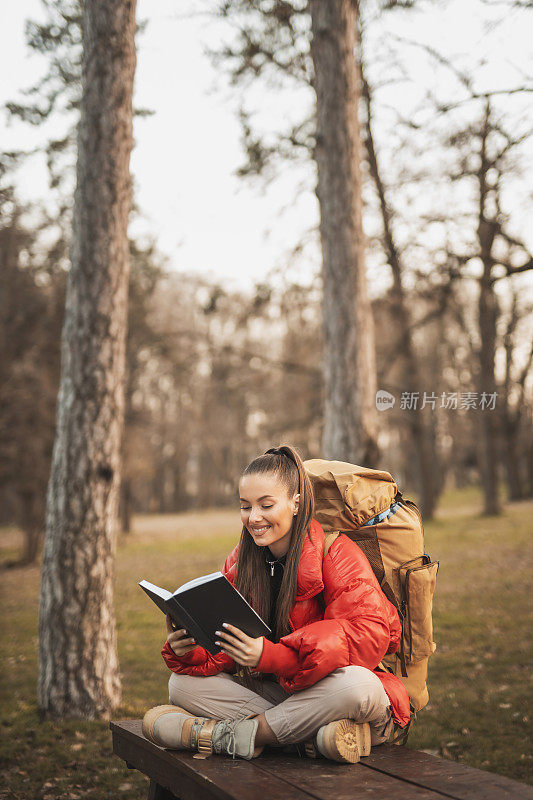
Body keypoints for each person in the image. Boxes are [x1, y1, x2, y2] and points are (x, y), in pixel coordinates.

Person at [142, 445, 411, 763]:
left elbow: (369, 635)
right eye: (245, 507)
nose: (253, 518)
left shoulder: (337, 553)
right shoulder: (241, 561)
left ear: (296, 503)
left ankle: (226, 736)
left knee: (358, 685)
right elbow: (228, 648)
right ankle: (310, 739)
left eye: (265, 505)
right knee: (182, 686)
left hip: (338, 692)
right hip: (293, 699)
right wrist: (189, 649)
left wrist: (273, 656)